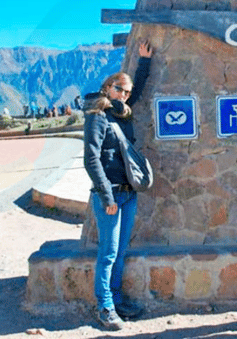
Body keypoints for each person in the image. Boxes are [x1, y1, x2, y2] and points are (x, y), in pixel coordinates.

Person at [83, 41, 153, 330]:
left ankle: (116, 299)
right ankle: (104, 307)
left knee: (120, 251)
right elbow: (91, 159)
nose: (123, 95)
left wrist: (143, 61)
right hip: (110, 196)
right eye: (118, 89)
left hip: (129, 195)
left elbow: (138, 90)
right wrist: (106, 194)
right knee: (108, 253)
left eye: (125, 91)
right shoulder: (97, 116)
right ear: (107, 88)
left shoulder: (122, 113)